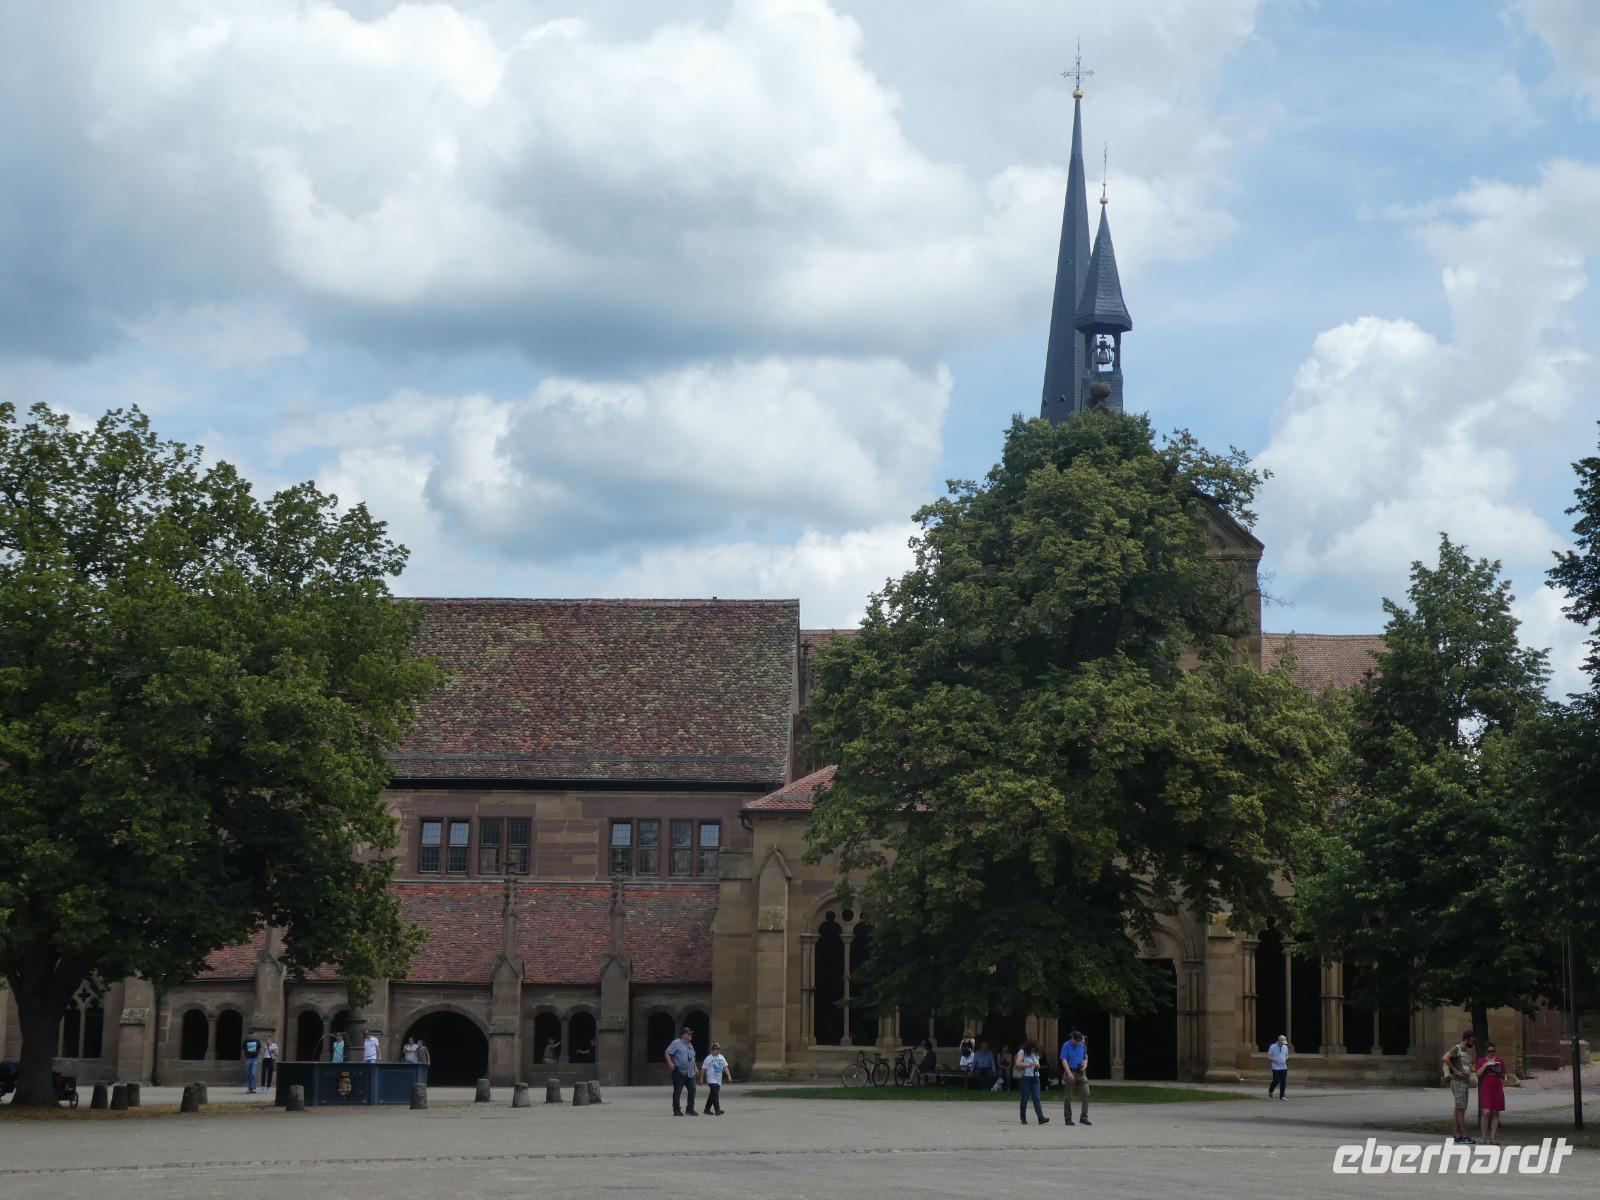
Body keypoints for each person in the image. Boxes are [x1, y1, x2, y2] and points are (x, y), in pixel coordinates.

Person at [1442, 1029, 1476, 1144]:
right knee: (1460, 1109)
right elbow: (1445, 1058)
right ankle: (1463, 1135)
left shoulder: (1465, 1050)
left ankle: (1456, 1134)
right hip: (1458, 1082)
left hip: (1464, 1082)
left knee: (1459, 1108)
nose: (1473, 1043)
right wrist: (1455, 1070)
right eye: (1472, 1041)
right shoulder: (1457, 1048)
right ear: (1466, 1039)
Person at [1476, 1040, 1507, 1145]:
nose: (1491, 1053)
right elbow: (1478, 1074)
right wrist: (1485, 1065)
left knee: (1495, 1112)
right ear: (1486, 1052)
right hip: (1486, 1087)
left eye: (1493, 1051)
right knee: (1486, 1112)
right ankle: (1483, 1137)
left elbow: (1504, 1077)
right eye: (1489, 1051)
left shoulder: (1499, 1061)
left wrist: (1498, 1071)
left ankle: (1492, 1138)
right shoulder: (1481, 1060)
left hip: (1497, 1087)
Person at [1059, 1029, 1092, 1125]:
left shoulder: (1083, 1046)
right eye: (1077, 1041)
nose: (1078, 1043)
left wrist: (1085, 1065)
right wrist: (1068, 1072)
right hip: (1071, 1071)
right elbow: (1064, 1060)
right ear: (1072, 1039)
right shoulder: (1066, 1046)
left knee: (1086, 1094)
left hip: (1081, 1073)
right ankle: (1068, 1118)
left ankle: (1084, 1117)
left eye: (1080, 1041)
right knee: (1068, 1096)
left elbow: (1085, 1058)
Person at [1015, 1038, 1049, 1125]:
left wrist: (1037, 1066)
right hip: (1025, 1078)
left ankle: (1041, 1118)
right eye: (1033, 1047)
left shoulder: (1036, 1054)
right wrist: (1029, 1064)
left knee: (1036, 1098)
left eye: (1035, 1047)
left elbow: (1037, 1064)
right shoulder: (1022, 1052)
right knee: (1024, 1099)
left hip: (1035, 1078)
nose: (1034, 1049)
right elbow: (1018, 1064)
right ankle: (1023, 1118)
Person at [665, 1026, 699, 1115]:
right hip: (679, 1071)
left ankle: (690, 1109)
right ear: (684, 1035)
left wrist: (695, 1067)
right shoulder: (676, 1043)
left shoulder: (690, 1045)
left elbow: (692, 1058)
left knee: (692, 1089)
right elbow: (667, 1052)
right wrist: (670, 1063)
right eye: (689, 1034)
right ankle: (676, 1110)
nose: (691, 1035)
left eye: (691, 1034)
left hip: (690, 1072)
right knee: (678, 1091)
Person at [700, 1041, 731, 1115]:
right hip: (711, 1079)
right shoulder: (708, 1058)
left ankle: (706, 1109)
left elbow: (725, 1067)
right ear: (712, 1050)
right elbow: (703, 1070)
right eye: (716, 1049)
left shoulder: (721, 1057)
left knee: (712, 1095)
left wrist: (729, 1075)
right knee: (715, 1094)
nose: (717, 1051)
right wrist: (701, 1079)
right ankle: (717, 1110)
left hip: (718, 1079)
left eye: (718, 1049)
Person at [1267, 1034, 1289, 1100]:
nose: (1283, 1044)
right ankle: (1271, 1091)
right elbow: (1268, 1056)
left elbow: (1287, 1055)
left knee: (1283, 1082)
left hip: (1284, 1066)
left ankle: (1282, 1096)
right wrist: (1274, 1059)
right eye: (1282, 1042)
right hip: (1276, 1066)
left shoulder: (1285, 1047)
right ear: (1279, 1041)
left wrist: (1287, 1058)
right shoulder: (1272, 1047)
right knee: (1276, 1080)